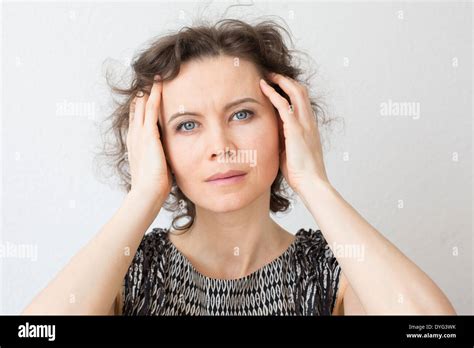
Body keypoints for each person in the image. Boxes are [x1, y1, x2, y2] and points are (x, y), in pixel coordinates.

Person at [22, 18, 456, 316]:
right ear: (157, 144)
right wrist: (142, 196)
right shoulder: (130, 269)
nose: (221, 147)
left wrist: (314, 182)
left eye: (243, 114)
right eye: (187, 125)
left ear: (285, 123)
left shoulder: (332, 271)